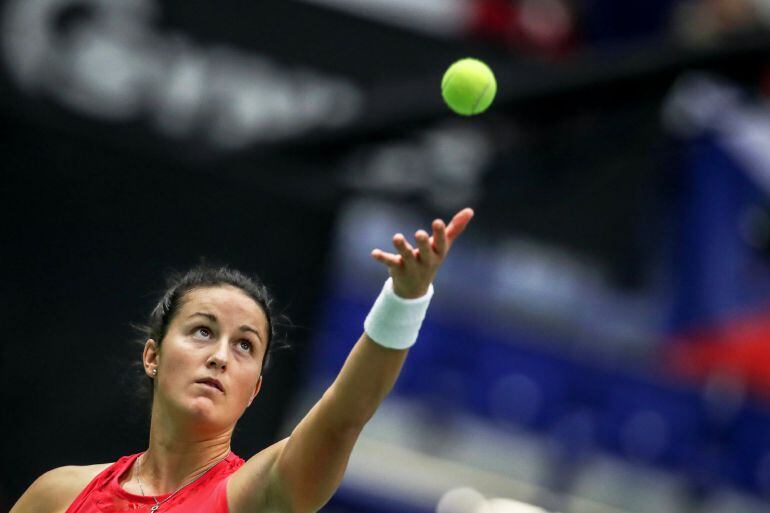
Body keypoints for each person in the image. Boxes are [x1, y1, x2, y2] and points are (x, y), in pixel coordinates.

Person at [10, 207, 474, 513]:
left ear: (254, 390)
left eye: (244, 345)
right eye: (202, 331)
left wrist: (405, 298)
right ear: (152, 355)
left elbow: (343, 417)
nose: (219, 357)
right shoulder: (58, 496)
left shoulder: (260, 494)